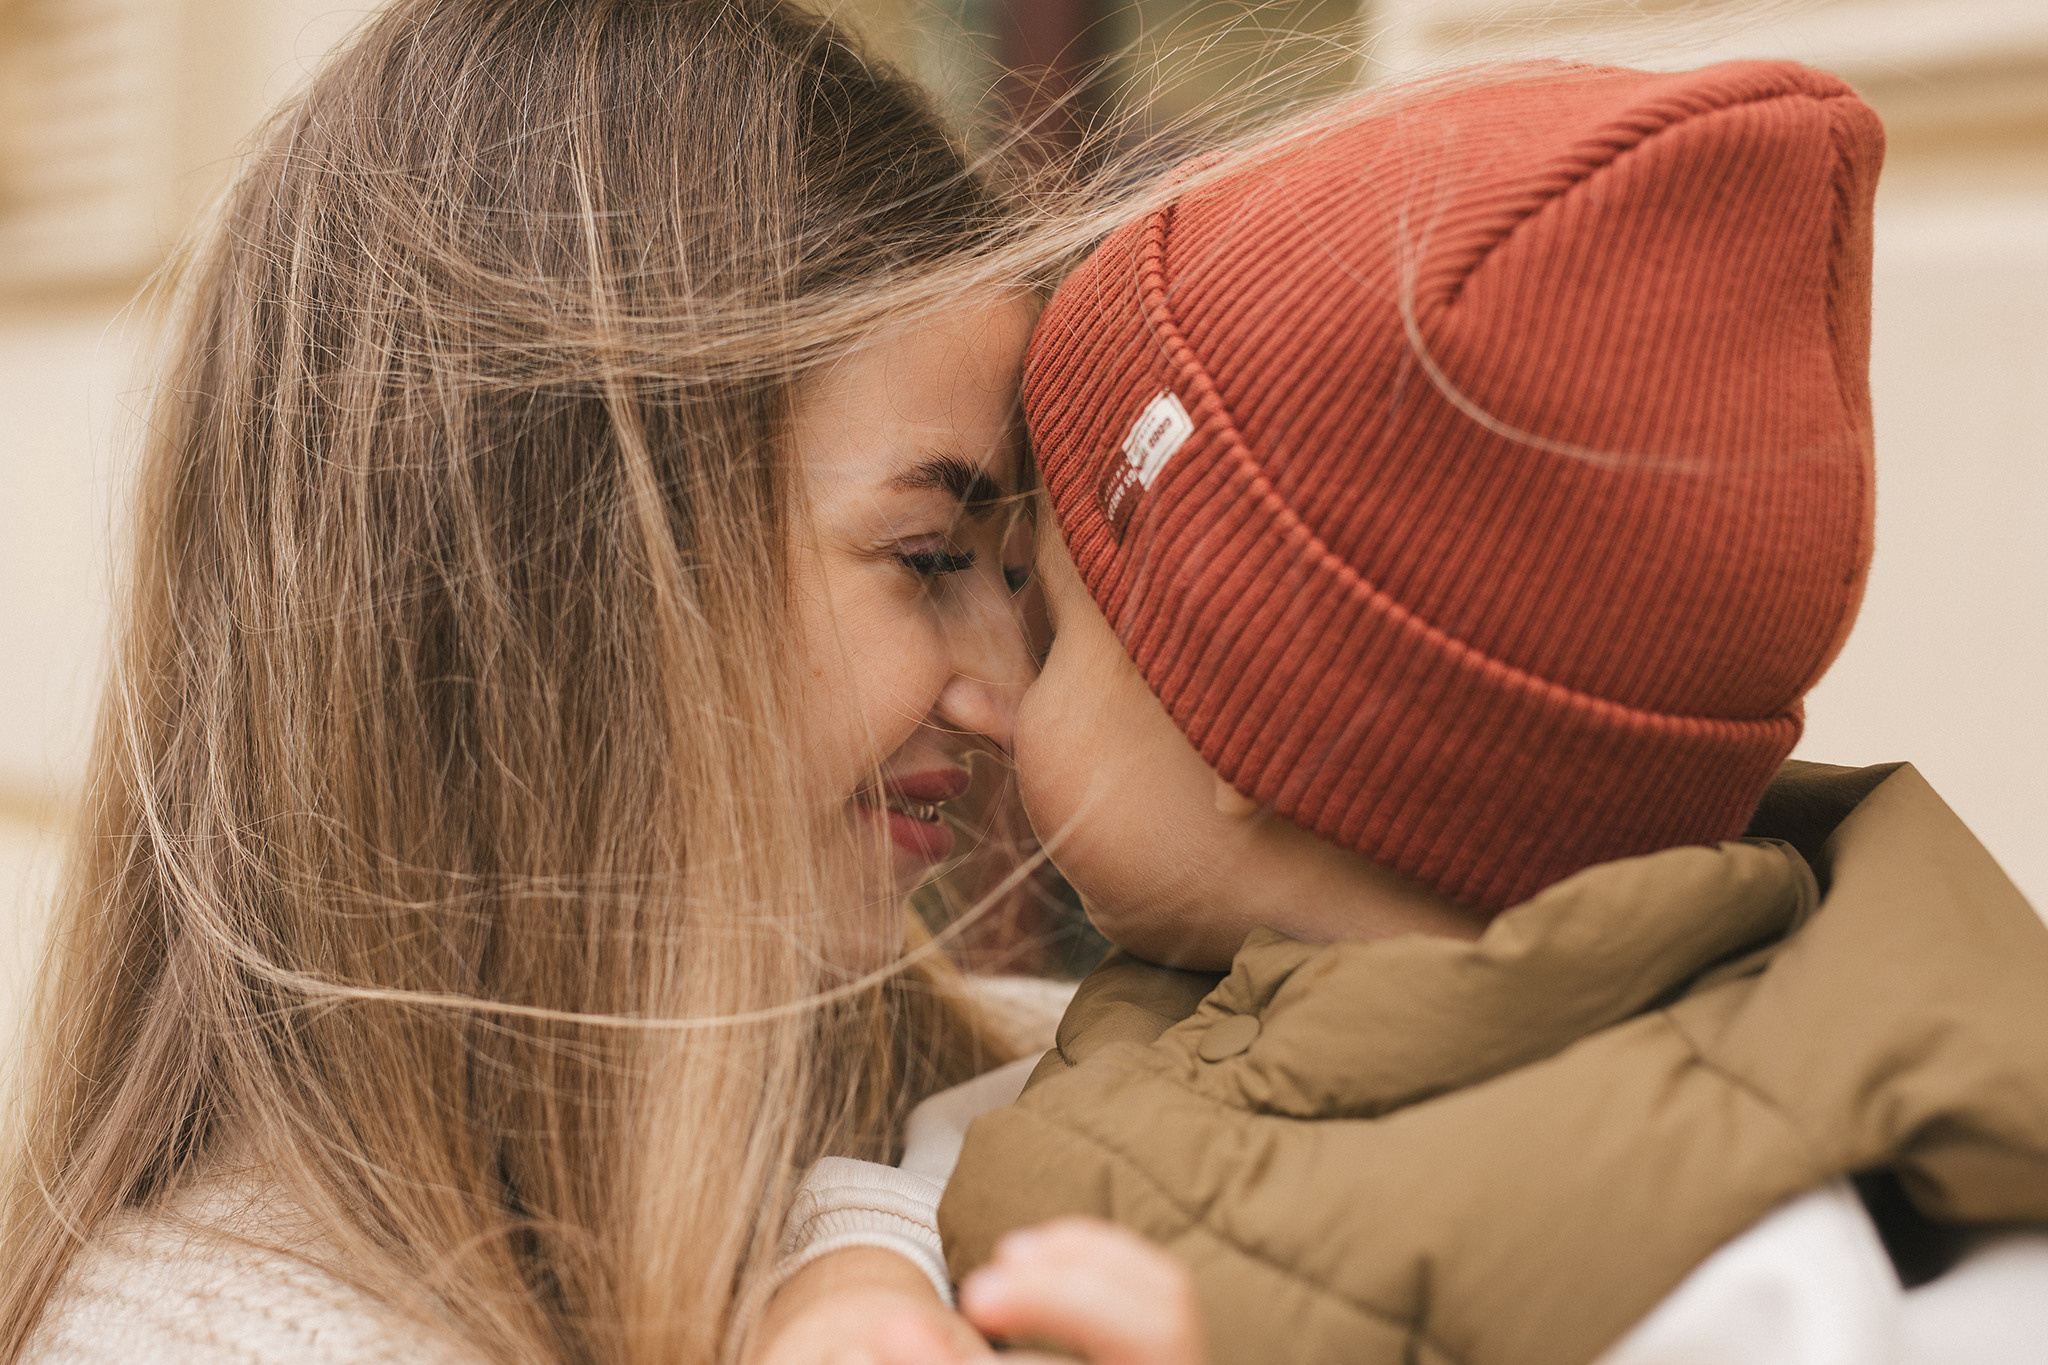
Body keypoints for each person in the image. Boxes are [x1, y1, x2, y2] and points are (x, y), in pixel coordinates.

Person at [790, 59, 2048, 1365]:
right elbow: (957, 1160)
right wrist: (856, 1271)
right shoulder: (1185, 1010)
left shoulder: (1748, 1258)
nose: (998, 699)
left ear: (1260, 717)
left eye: (1047, 624)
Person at [0, 3, 1202, 1363]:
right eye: (928, 556)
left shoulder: (1065, 1112)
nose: (1010, 694)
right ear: (552, 580)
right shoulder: (213, 1336)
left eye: (1019, 574)